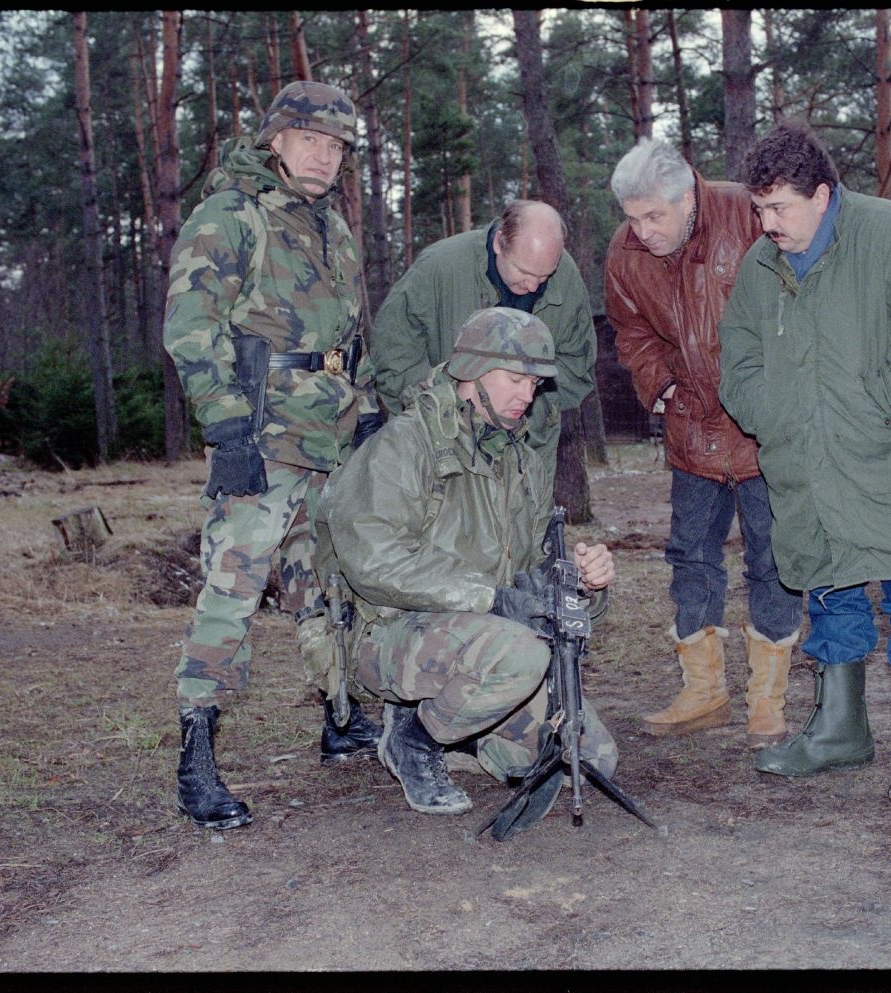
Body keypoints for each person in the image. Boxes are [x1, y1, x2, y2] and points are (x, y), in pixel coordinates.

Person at [717, 123, 891, 801]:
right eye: (758, 208)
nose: (764, 223)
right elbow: (738, 356)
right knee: (830, 587)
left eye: (778, 208)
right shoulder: (760, 268)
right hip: (809, 465)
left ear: (823, 194)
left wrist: (885, 401)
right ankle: (840, 729)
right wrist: (771, 411)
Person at [163, 80, 384, 830]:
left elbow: (351, 335)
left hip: (329, 434)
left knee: (325, 584)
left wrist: (367, 410)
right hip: (262, 435)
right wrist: (227, 431)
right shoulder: (231, 215)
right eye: (312, 140)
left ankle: (342, 717)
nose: (326, 156)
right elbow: (192, 328)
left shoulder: (334, 227)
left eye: (338, 146)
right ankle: (197, 758)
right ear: (276, 140)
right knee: (232, 588)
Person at [323, 307, 618, 818]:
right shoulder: (404, 444)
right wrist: (489, 597)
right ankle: (414, 741)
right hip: (391, 633)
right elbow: (374, 561)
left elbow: (529, 569)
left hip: (486, 639)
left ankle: (463, 729)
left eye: (534, 383)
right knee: (521, 656)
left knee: (591, 757)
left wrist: (582, 580)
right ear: (471, 371)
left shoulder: (520, 460)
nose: (527, 395)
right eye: (516, 379)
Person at [604, 138, 803, 746]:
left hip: (761, 428)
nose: (642, 231)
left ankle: (766, 703)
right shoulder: (625, 252)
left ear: (687, 196)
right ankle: (703, 692)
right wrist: (659, 386)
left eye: (654, 216)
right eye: (632, 218)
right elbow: (629, 328)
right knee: (690, 556)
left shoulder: (747, 215)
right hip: (690, 425)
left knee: (772, 558)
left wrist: (778, 391)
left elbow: (799, 302)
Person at [369, 199, 597, 473]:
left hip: (526, 456)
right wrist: (444, 409)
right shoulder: (440, 267)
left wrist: (526, 410)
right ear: (500, 242)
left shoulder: (565, 275)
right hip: (442, 453)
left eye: (544, 276)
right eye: (524, 271)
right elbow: (393, 354)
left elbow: (577, 365)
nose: (533, 285)